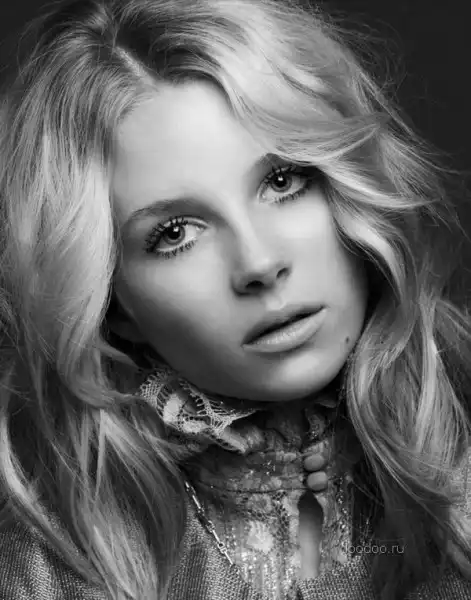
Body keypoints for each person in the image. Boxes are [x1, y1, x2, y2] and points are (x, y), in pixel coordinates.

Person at [0, 0, 471, 598]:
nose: (260, 264)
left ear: (348, 187)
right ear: (112, 301)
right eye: (176, 233)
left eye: (283, 181)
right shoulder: (39, 565)